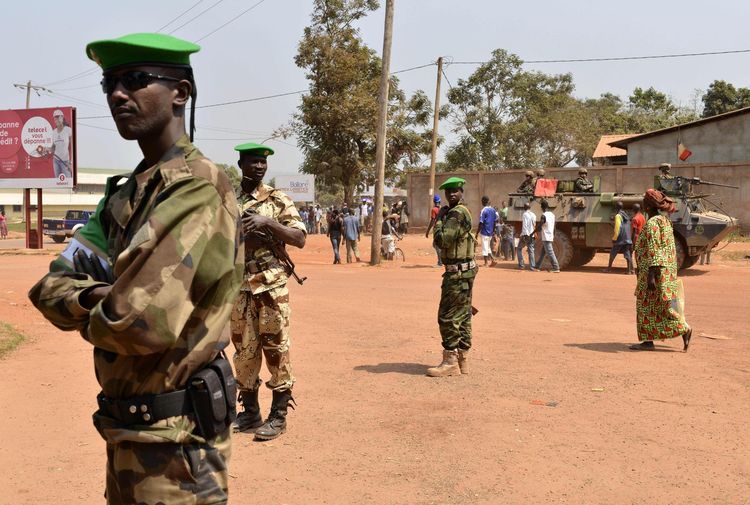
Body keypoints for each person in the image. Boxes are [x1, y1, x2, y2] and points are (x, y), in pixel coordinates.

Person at [28, 33, 242, 503]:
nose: (118, 94)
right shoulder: (126, 196)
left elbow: (138, 323)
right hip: (126, 432)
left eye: (137, 80)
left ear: (180, 92)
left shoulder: (197, 187)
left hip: (178, 447)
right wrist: (96, 297)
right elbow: (49, 287)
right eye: (110, 83)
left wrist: (103, 301)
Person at [231, 142, 307, 441]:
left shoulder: (277, 200)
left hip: (271, 286)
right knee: (244, 350)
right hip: (238, 286)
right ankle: (249, 412)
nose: (259, 167)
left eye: (263, 163)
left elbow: (299, 238)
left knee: (276, 348)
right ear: (241, 165)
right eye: (253, 162)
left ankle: (278, 416)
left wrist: (267, 222)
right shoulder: (228, 201)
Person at [427, 177, 477, 377]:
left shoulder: (456, 213)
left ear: (461, 191)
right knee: (464, 315)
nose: (452, 194)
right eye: (449, 192)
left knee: (447, 316)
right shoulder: (460, 211)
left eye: (455, 190)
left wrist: (439, 220)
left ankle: (450, 362)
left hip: (457, 273)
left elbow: (443, 240)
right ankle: (463, 359)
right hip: (464, 271)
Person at [630, 189, 692, 351]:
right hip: (665, 271)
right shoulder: (664, 221)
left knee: (646, 307)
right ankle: (678, 331)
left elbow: (655, 249)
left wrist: (651, 276)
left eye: (645, 201)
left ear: (648, 206)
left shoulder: (652, 224)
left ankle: (681, 329)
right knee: (662, 308)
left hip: (654, 272)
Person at [604, 201, 633, 274]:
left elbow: (617, 228)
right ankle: (629, 270)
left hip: (620, 238)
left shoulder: (618, 216)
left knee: (612, 253)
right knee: (627, 254)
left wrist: (614, 238)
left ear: (616, 207)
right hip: (628, 238)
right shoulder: (626, 215)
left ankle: (608, 268)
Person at [46, 109, 73, 179]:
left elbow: (72, 147)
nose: (57, 119)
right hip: (56, 161)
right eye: (55, 118)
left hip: (65, 162)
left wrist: (70, 162)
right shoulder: (54, 132)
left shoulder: (68, 130)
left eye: (58, 117)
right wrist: (46, 149)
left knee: (68, 181)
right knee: (57, 182)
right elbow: (53, 148)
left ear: (62, 118)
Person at [534, 199, 560, 272]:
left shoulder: (543, 216)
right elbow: (554, 227)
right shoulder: (552, 215)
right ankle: (537, 266)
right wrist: (553, 235)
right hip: (550, 235)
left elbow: (539, 226)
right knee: (543, 252)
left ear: (542, 207)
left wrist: (533, 232)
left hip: (546, 236)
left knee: (550, 252)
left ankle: (556, 267)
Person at [477, 195, 497, 266]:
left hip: (485, 231)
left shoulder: (483, 210)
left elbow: (481, 222)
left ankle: (486, 263)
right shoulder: (493, 210)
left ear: (483, 201)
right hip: (491, 232)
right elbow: (495, 221)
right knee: (488, 247)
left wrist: (477, 233)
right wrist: (493, 231)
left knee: (485, 248)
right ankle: (493, 259)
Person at [517, 202, 537, 271]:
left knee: (519, 249)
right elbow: (534, 225)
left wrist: (524, 235)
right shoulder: (534, 215)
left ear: (524, 208)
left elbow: (525, 226)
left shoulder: (525, 214)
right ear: (530, 208)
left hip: (526, 235)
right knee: (531, 251)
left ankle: (521, 265)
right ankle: (532, 267)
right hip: (532, 235)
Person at [425, 195, 443, 267]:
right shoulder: (442, 209)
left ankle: (440, 262)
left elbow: (432, 221)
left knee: (436, 245)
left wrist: (427, 231)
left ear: (434, 202)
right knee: (438, 245)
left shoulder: (434, 210)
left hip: (437, 228)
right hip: (442, 227)